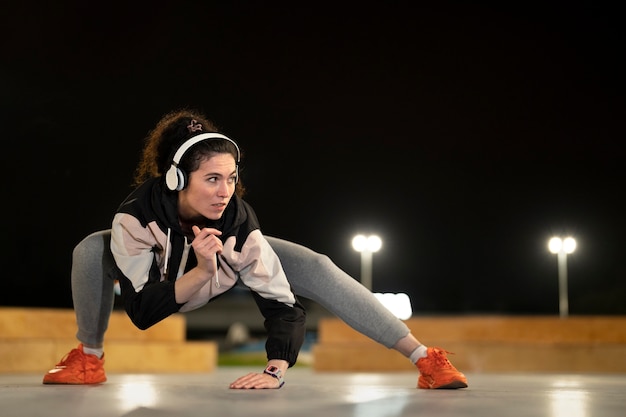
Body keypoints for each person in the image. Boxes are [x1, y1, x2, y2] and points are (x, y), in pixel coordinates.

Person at [43, 109, 468, 390]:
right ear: (176, 179)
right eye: (212, 179)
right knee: (88, 249)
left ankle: (424, 359)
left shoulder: (238, 222)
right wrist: (200, 272)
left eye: (231, 177)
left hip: (225, 272)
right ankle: (89, 359)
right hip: (168, 288)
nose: (226, 190)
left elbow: (282, 306)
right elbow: (141, 314)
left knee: (316, 265)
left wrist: (275, 369)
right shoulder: (135, 218)